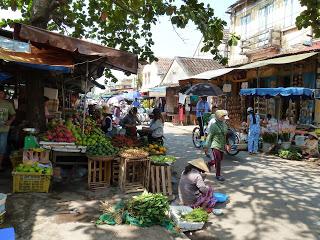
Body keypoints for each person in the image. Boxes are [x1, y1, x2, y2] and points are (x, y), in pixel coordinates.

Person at [205, 110, 230, 181]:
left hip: (221, 145)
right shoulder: (214, 126)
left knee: (219, 159)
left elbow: (225, 136)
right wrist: (206, 146)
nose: (225, 118)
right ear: (219, 116)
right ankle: (218, 175)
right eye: (223, 117)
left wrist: (227, 144)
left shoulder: (225, 125)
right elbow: (209, 136)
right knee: (218, 160)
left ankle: (209, 164)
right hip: (215, 145)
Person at [0, 86, 16, 170]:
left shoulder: (8, 104)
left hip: (4, 129)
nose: (0, 94)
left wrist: (10, 121)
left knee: (2, 148)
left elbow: (13, 115)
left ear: (4, 94)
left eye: (1, 93)